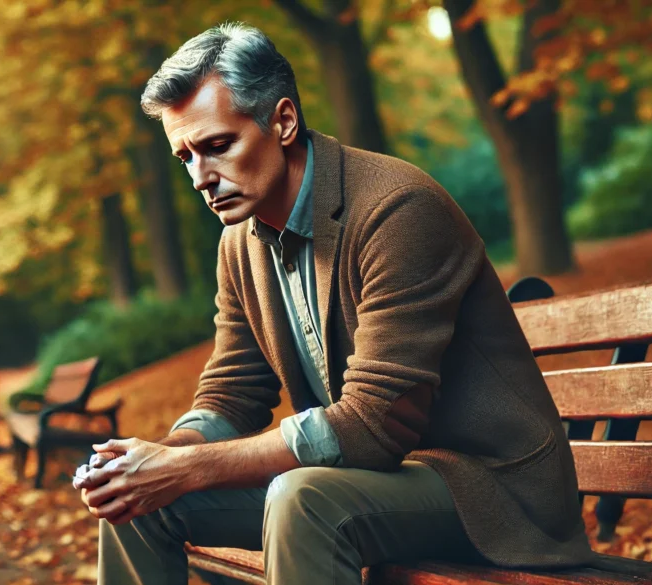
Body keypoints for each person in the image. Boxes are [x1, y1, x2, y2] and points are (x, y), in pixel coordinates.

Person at [72, 21, 593, 585]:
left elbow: (375, 424)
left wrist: (189, 468)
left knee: (304, 498)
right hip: (374, 480)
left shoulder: (396, 209)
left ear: (283, 121)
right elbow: (231, 393)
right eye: (186, 158)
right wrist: (151, 462)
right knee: (135, 500)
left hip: (491, 491)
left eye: (218, 146)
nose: (202, 177)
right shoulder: (238, 244)